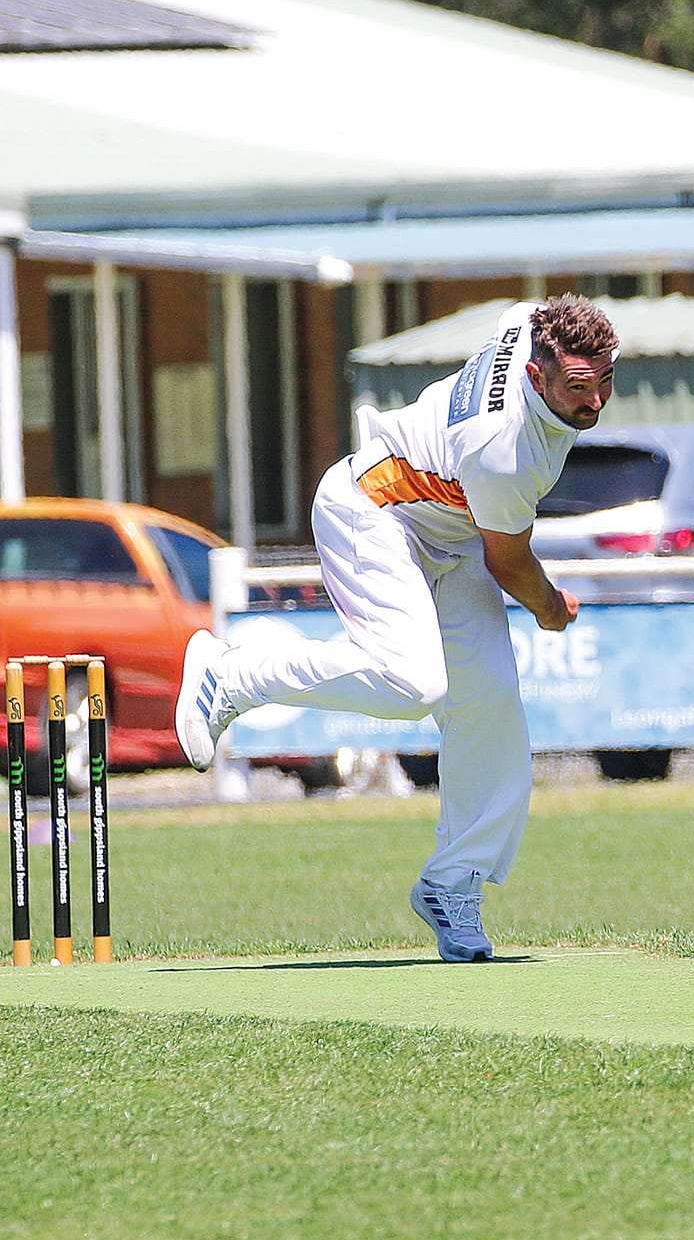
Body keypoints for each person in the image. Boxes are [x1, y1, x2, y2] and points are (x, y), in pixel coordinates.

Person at [175, 294, 620, 962]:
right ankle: (231, 673)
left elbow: (525, 309)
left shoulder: (532, 329)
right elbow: (510, 561)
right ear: (535, 376)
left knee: (492, 701)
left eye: (606, 380)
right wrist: (551, 607)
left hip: (452, 529)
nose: (596, 402)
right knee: (411, 681)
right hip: (374, 510)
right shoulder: (507, 449)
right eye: (580, 388)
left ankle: (453, 882)